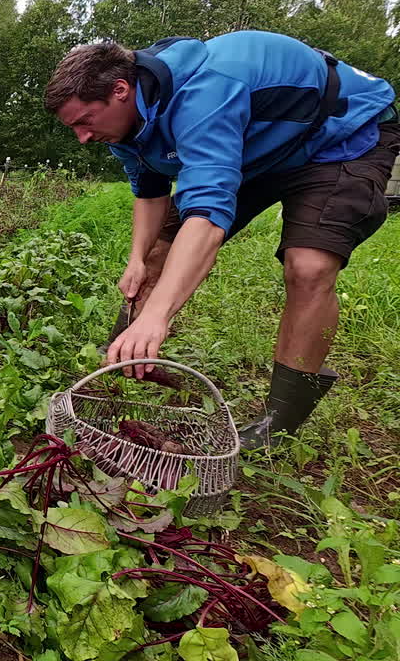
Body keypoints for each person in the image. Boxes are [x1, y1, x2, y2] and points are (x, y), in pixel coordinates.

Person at [44, 30, 397, 448]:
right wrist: (137, 258)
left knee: (309, 266)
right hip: (257, 151)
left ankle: (278, 424)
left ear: (120, 90)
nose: (82, 137)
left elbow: (208, 217)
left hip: (339, 137)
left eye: (84, 122)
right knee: (158, 254)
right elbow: (150, 192)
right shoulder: (124, 123)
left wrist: (158, 313)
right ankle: (123, 361)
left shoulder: (206, 93)